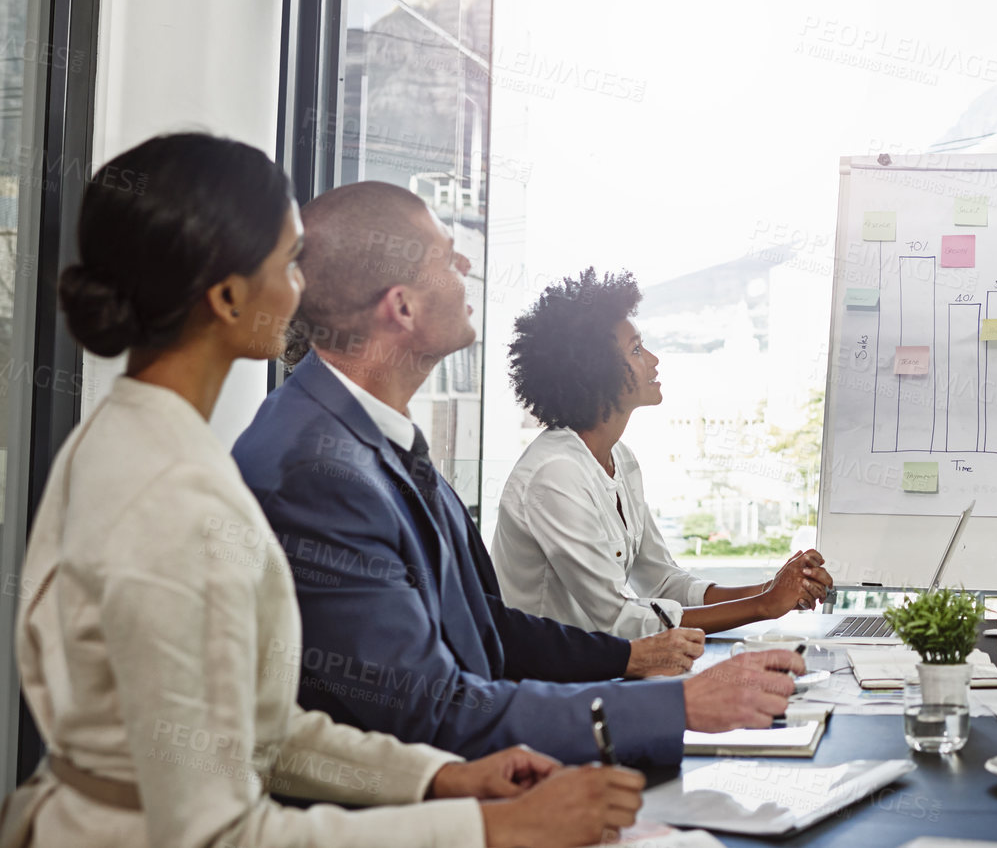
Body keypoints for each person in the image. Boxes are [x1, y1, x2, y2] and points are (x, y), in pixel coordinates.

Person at [0, 132, 645, 848]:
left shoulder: (131, 436)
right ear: (227, 296)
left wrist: (433, 778)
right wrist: (488, 828)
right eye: (289, 262)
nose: (305, 287)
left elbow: (260, 727)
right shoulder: (174, 496)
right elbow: (219, 835)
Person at [232, 182, 801, 768]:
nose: (466, 265)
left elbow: (484, 625)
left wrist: (625, 660)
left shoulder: (375, 436)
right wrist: (673, 706)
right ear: (401, 307)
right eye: (445, 255)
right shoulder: (318, 471)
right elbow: (426, 712)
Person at [491, 271, 832, 637]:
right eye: (636, 350)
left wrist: (773, 589)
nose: (653, 359)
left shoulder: (620, 459)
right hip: (546, 682)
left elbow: (663, 585)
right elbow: (620, 619)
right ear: (594, 372)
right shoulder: (555, 474)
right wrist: (764, 606)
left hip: (598, 670)